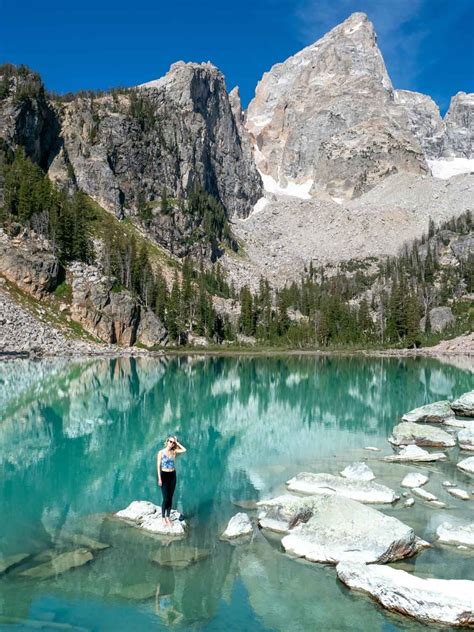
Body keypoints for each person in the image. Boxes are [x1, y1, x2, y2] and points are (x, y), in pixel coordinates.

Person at [157, 436, 186, 525]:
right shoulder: (161, 452)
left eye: (173, 442)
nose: (171, 443)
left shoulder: (174, 451)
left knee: (170, 498)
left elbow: (184, 450)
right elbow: (158, 466)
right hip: (164, 475)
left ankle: (168, 517)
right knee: (165, 498)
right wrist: (159, 479)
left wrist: (177, 443)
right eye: (170, 441)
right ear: (167, 442)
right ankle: (163, 517)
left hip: (172, 475)